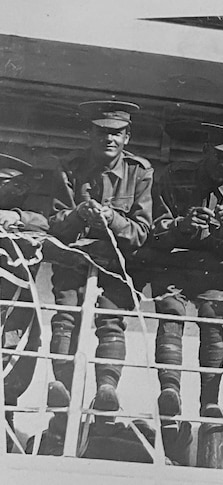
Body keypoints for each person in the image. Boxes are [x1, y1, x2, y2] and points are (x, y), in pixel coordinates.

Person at [47, 100, 154, 413]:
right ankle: (62, 388)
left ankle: (107, 389)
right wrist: (80, 214)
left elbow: (141, 232)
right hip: (74, 260)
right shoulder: (69, 170)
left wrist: (112, 218)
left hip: (115, 266)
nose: (109, 139)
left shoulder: (140, 173)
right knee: (65, 317)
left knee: (111, 322)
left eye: (117, 133)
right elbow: (54, 223)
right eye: (101, 132)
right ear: (89, 134)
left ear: (127, 138)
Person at [148, 122, 223, 418]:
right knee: (170, 314)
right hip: (174, 265)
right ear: (205, 151)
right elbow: (153, 229)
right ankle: (169, 391)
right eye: (218, 157)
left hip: (212, 270)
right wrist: (180, 225)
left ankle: (210, 401)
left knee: (213, 322)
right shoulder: (175, 176)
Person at [0, 153, 49, 450]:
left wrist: (16, 218)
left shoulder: (29, 221)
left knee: (9, 392)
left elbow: (46, 224)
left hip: (14, 324)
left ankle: (6, 444)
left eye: (10, 183)